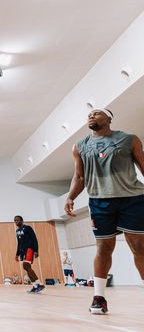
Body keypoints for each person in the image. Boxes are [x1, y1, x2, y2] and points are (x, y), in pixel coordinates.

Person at [65, 108, 144, 315]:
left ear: (109, 118)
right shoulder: (80, 146)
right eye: (89, 114)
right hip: (100, 202)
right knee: (103, 248)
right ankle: (99, 298)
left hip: (132, 199)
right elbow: (79, 176)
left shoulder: (129, 139)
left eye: (97, 113)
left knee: (139, 247)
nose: (91, 116)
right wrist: (70, 196)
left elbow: (143, 165)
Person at [14, 215, 44, 293]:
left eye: (18, 220)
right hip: (22, 252)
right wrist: (17, 254)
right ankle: (35, 286)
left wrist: (36, 250)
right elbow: (19, 243)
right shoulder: (17, 231)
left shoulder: (27, 228)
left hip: (29, 249)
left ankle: (39, 284)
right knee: (27, 268)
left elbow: (34, 239)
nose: (16, 222)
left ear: (22, 220)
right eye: (15, 220)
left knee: (26, 266)